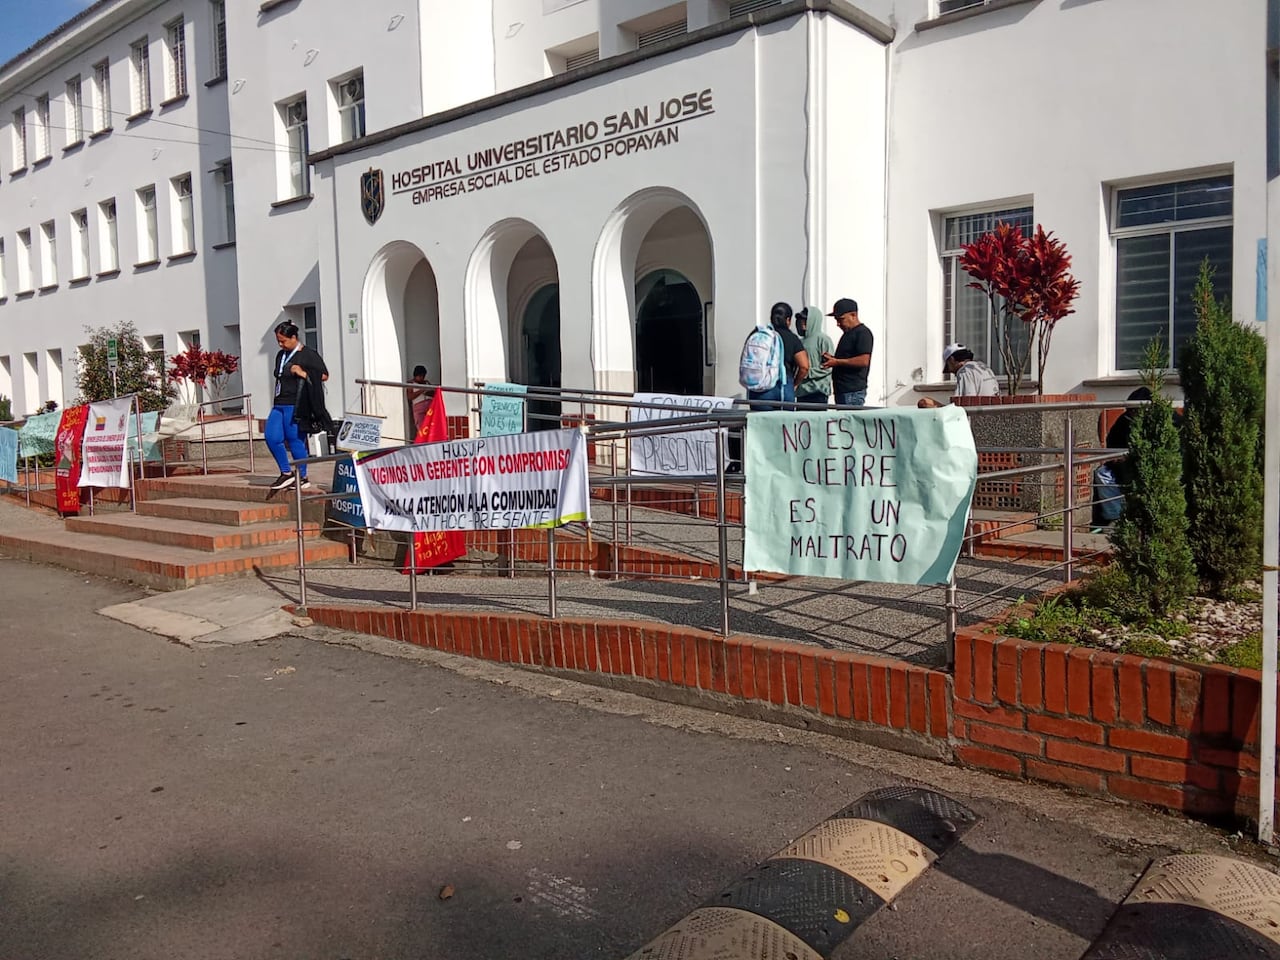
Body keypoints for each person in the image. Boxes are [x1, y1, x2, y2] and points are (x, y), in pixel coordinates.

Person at [266, 321, 328, 491]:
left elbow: (323, 375)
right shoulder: (281, 355)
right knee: (271, 436)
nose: (281, 344)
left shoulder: (308, 354)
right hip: (279, 402)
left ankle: (302, 475)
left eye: (284, 341)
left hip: (297, 403)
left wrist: (301, 372)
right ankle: (286, 473)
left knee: (295, 439)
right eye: (278, 341)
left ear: (294, 338)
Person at [747, 302, 809, 410]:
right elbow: (804, 366)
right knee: (784, 425)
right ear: (788, 320)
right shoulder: (792, 338)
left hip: (760, 388)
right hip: (784, 387)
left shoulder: (758, 333)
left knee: (760, 425)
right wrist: (795, 384)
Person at [821, 298, 873, 407]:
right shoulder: (847, 334)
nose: (838, 324)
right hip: (843, 391)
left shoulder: (863, 333)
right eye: (836, 320)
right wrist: (832, 359)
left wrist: (837, 362)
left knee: (850, 423)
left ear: (853, 315)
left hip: (852, 391)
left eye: (841, 319)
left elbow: (863, 360)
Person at [918, 343, 1000, 407]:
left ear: (951, 360)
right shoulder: (983, 367)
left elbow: (967, 402)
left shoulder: (965, 372)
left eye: (949, 366)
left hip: (977, 422)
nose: (952, 373)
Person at [794, 306, 833, 407]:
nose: (801, 323)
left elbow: (828, 366)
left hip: (818, 390)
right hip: (802, 392)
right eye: (800, 320)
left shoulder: (823, 340)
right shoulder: (799, 342)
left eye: (805, 320)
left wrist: (807, 373)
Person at [407, 364, 434, 428]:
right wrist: (421, 390)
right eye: (420, 376)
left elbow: (434, 393)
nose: (422, 378)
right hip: (419, 408)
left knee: (431, 427)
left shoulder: (426, 382)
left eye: (423, 376)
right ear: (416, 375)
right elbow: (410, 397)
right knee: (422, 428)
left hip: (430, 407)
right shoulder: (411, 384)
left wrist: (428, 392)